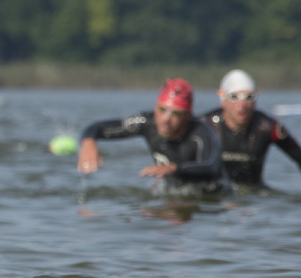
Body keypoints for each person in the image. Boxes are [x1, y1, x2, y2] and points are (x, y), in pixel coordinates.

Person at [76, 78, 227, 194]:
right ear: (155, 107)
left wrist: (174, 168)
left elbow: (210, 166)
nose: (166, 119)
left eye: (175, 113)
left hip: (210, 195)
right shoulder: (147, 122)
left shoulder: (201, 133)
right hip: (174, 192)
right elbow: (97, 127)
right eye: (162, 110)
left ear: (187, 116)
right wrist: (89, 142)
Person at [200, 70, 301, 194]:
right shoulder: (206, 124)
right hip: (215, 195)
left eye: (249, 97)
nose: (242, 105)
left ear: (256, 99)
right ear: (222, 98)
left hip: (254, 196)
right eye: (234, 97)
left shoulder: (268, 127)